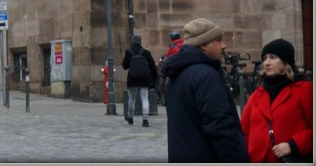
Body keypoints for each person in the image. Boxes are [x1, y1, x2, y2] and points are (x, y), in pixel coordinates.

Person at [162, 18, 248, 162]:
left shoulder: (177, 74)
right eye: (219, 40)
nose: (223, 46)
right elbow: (221, 128)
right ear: (203, 45)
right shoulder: (207, 76)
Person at [240, 38, 312, 163]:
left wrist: (293, 145)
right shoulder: (257, 94)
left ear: (285, 62)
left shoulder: (304, 89)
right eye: (265, 58)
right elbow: (242, 133)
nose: (267, 62)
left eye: (273, 57)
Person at [122, 34, 158, 127]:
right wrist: (154, 78)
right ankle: (145, 119)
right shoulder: (146, 52)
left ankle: (130, 117)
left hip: (132, 79)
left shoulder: (128, 52)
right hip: (144, 78)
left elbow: (124, 66)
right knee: (145, 98)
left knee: (132, 99)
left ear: (132, 42)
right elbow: (153, 67)